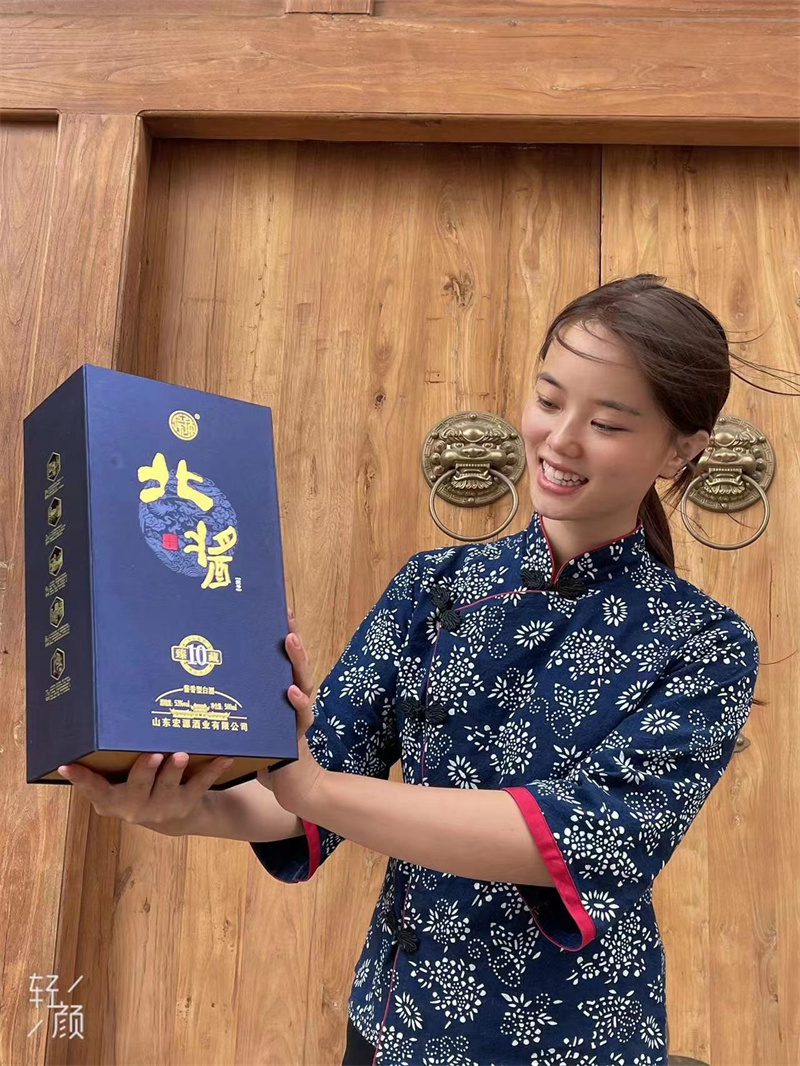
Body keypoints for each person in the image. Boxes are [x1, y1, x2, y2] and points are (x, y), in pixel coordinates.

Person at [59, 274, 775, 1066]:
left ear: (682, 450)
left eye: (606, 422)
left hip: (576, 1037)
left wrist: (312, 787)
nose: (560, 439)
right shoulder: (433, 587)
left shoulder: (706, 643)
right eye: (548, 399)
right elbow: (306, 783)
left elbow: (579, 838)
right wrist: (180, 807)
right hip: (393, 1024)